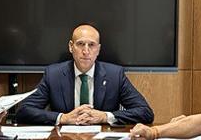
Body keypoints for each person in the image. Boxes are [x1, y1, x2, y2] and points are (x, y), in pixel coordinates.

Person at [17, 24, 154, 127]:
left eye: (92, 45)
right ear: (71, 47)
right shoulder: (54, 75)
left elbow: (145, 112)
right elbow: (24, 111)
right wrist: (63, 118)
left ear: (98, 49)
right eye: (81, 44)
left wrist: (104, 117)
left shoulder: (115, 75)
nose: (86, 51)